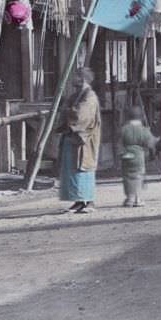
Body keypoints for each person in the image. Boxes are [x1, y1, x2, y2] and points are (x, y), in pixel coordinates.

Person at [58, 67, 101, 214]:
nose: (72, 80)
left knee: (82, 168)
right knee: (72, 170)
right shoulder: (77, 95)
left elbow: (82, 115)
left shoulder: (89, 96)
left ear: (82, 79)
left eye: (75, 77)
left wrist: (67, 110)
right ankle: (78, 201)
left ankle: (88, 201)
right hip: (73, 137)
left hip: (84, 138)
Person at [118, 105, 158, 208]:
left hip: (126, 155)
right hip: (138, 156)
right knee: (138, 176)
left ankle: (129, 198)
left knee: (127, 176)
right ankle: (137, 199)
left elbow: (119, 142)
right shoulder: (143, 130)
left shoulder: (124, 129)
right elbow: (150, 143)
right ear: (140, 117)